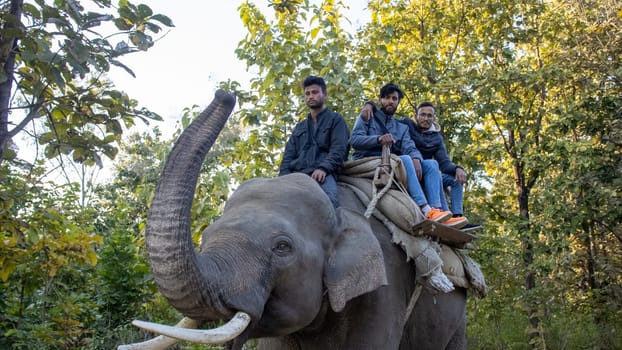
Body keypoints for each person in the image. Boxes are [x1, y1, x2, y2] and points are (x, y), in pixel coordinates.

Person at [350, 83, 452, 222]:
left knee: (431, 163)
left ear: (398, 102)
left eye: (394, 98)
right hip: (369, 160)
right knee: (404, 158)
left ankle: (437, 211)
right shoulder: (368, 116)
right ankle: (424, 207)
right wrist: (378, 139)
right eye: (387, 98)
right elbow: (354, 140)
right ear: (380, 100)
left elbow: (410, 147)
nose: (390, 101)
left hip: (393, 162)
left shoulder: (401, 127)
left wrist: (416, 158)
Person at [401, 101, 479, 230]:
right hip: (414, 171)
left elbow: (444, 163)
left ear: (434, 118)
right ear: (416, 116)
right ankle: (436, 209)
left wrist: (458, 168)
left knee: (454, 178)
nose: (426, 118)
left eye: (429, 116)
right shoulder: (407, 125)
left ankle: (457, 216)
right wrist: (369, 105)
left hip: (431, 175)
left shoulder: (436, 138)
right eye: (422, 115)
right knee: (433, 166)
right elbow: (388, 119)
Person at [279, 76, 350, 208]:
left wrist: (323, 168)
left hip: (322, 175)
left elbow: (339, 149)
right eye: (307, 93)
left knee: (328, 204)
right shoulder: (300, 127)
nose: (311, 96)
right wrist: (283, 178)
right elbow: (288, 156)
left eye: (315, 92)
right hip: (297, 175)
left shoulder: (336, 120)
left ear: (325, 94)